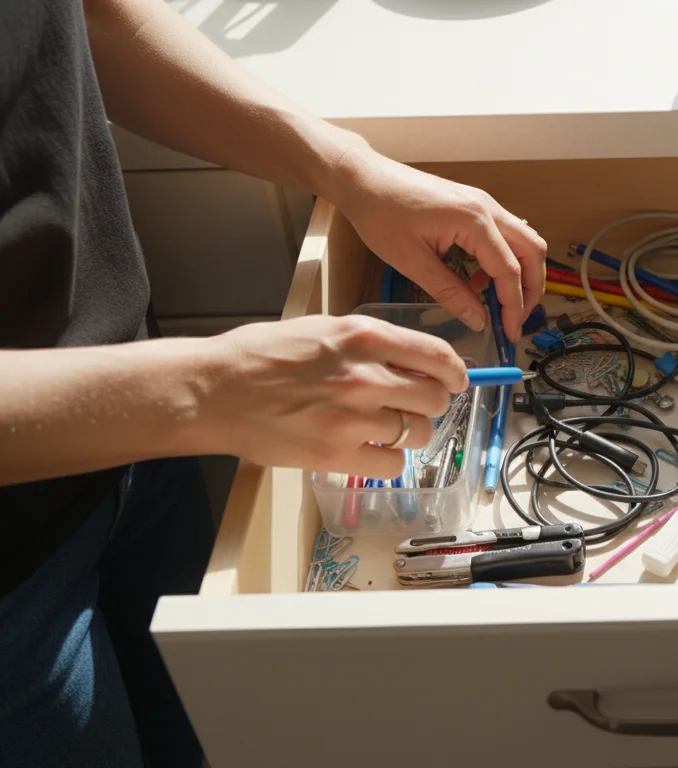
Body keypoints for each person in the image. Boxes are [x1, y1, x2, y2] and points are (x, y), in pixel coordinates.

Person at [0, 0, 546, 764]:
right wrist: (203, 391)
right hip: (16, 581)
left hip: (138, 440)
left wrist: (347, 167)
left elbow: (78, 16)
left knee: (207, 734)